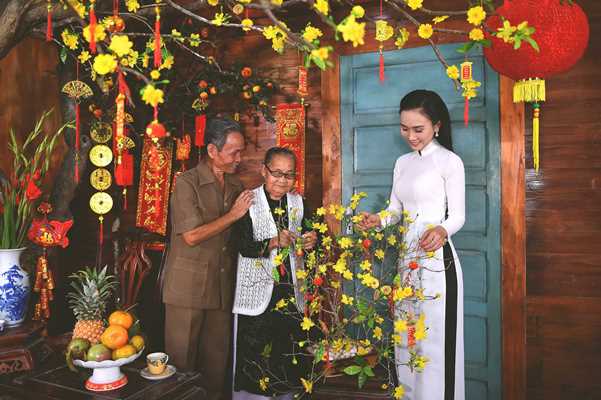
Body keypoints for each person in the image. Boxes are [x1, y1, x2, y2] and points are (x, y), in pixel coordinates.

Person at [358, 90, 466, 400]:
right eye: (404, 128)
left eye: (418, 129)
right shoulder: (402, 162)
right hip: (407, 262)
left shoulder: (449, 162)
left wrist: (442, 230)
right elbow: (395, 211)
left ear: (437, 125)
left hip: (437, 261)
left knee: (433, 343)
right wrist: (377, 220)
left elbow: (458, 216)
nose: (410, 136)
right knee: (406, 339)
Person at [162, 118, 254, 400]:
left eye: (241, 152)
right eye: (234, 152)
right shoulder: (186, 183)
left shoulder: (235, 184)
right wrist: (233, 215)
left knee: (217, 364)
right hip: (187, 288)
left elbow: (246, 230)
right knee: (180, 365)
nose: (239, 158)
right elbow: (191, 236)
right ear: (212, 151)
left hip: (221, 285)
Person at [231, 147, 318, 400]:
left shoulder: (299, 203)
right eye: (276, 173)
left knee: (288, 352)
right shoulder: (248, 201)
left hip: (291, 290)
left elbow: (313, 236)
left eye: (289, 175)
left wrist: (312, 240)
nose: (282, 180)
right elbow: (242, 245)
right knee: (257, 354)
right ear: (263, 171)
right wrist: (272, 242)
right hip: (258, 292)